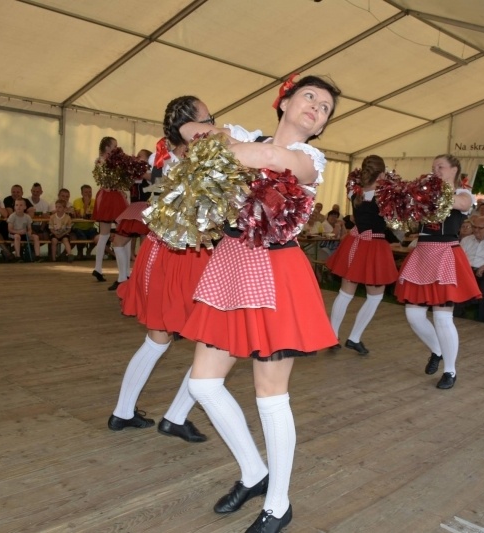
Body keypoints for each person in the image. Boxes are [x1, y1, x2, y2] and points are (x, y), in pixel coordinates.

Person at [177, 76, 341, 533]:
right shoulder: (244, 136)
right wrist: (215, 138)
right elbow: (190, 134)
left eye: (325, 108)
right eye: (309, 97)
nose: (316, 108)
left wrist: (219, 145)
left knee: (271, 395)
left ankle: (278, 504)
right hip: (231, 265)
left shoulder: (310, 158)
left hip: (275, 273)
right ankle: (254, 473)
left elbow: (269, 159)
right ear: (284, 100)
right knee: (203, 385)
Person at [110, 96, 218, 447]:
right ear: (191, 126)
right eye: (208, 118)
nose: (214, 123)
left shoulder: (166, 157)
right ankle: (174, 416)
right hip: (184, 256)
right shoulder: (192, 159)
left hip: (161, 252)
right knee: (215, 341)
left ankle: (125, 412)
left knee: (159, 338)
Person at [396, 154, 480, 390]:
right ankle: (437, 350)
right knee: (413, 315)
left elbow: (461, 204)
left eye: (440, 167)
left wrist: (429, 194)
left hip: (445, 253)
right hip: (422, 253)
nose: (435, 170)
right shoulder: (424, 193)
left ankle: (450, 371)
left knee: (443, 317)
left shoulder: (463, 195)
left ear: (454, 170)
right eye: (433, 167)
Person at [326, 155, 400, 355]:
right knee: (375, 296)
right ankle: (354, 337)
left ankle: (332, 335)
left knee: (345, 292)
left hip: (355, 243)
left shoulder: (353, 190)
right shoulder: (385, 195)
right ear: (382, 173)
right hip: (374, 245)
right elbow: (394, 220)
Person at [110, 148, 154, 291]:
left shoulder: (150, 172)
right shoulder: (133, 171)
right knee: (117, 242)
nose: (137, 157)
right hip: (133, 209)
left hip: (146, 209)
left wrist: (132, 166)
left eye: (141, 156)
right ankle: (123, 277)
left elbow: (149, 178)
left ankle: (141, 279)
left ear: (148, 159)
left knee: (144, 248)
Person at [91, 137, 130, 285]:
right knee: (123, 232)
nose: (117, 148)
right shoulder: (103, 161)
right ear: (107, 147)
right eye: (114, 146)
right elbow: (107, 185)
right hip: (111, 197)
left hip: (107, 197)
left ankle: (98, 268)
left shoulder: (101, 161)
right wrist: (118, 187)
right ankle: (124, 272)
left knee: (104, 234)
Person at [72, 184, 97, 260]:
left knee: (96, 237)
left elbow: (95, 216)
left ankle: (89, 251)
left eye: (90, 192)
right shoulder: (76, 201)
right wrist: (86, 205)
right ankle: (80, 253)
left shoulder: (95, 202)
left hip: (90, 227)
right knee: (81, 237)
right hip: (78, 227)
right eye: (86, 192)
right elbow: (79, 216)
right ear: (82, 193)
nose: (88, 194)